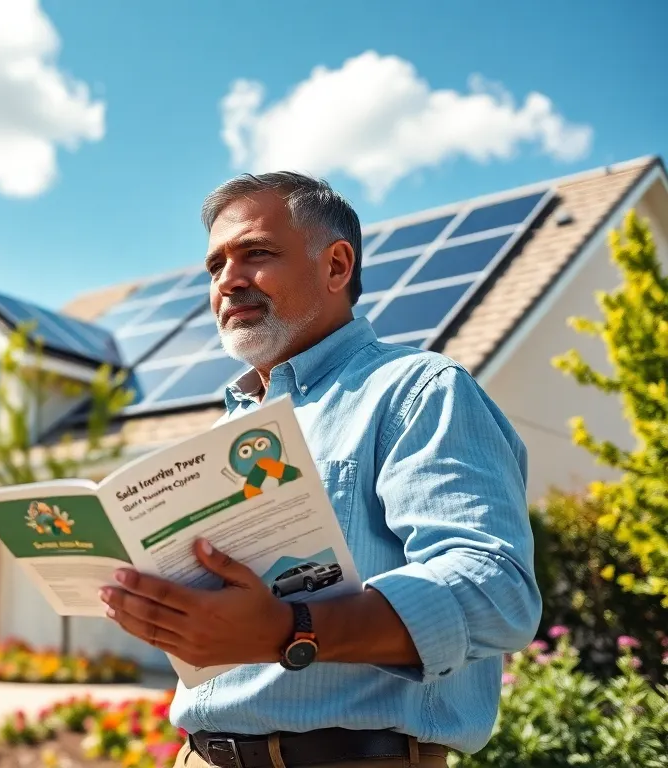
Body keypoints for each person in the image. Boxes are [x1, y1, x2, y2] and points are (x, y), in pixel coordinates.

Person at [99, 171, 542, 768]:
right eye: (214, 267)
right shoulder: (225, 430)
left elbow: (496, 591)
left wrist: (292, 629)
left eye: (255, 253)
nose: (228, 280)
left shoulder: (418, 392)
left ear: (336, 266)